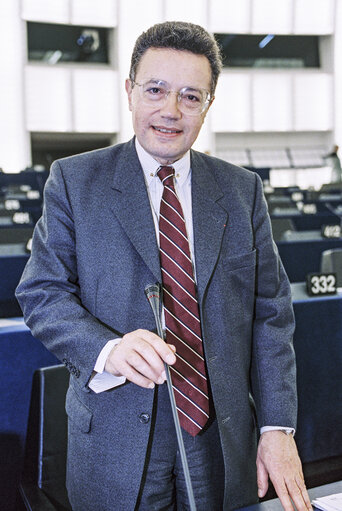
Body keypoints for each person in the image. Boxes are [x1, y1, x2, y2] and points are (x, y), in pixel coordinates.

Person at [16, 21, 312, 511]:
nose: (171, 111)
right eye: (155, 90)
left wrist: (277, 428)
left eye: (190, 97)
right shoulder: (74, 180)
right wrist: (107, 349)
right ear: (130, 92)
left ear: (208, 104)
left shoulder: (242, 191)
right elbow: (42, 294)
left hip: (220, 436)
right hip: (114, 433)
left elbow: (271, 315)